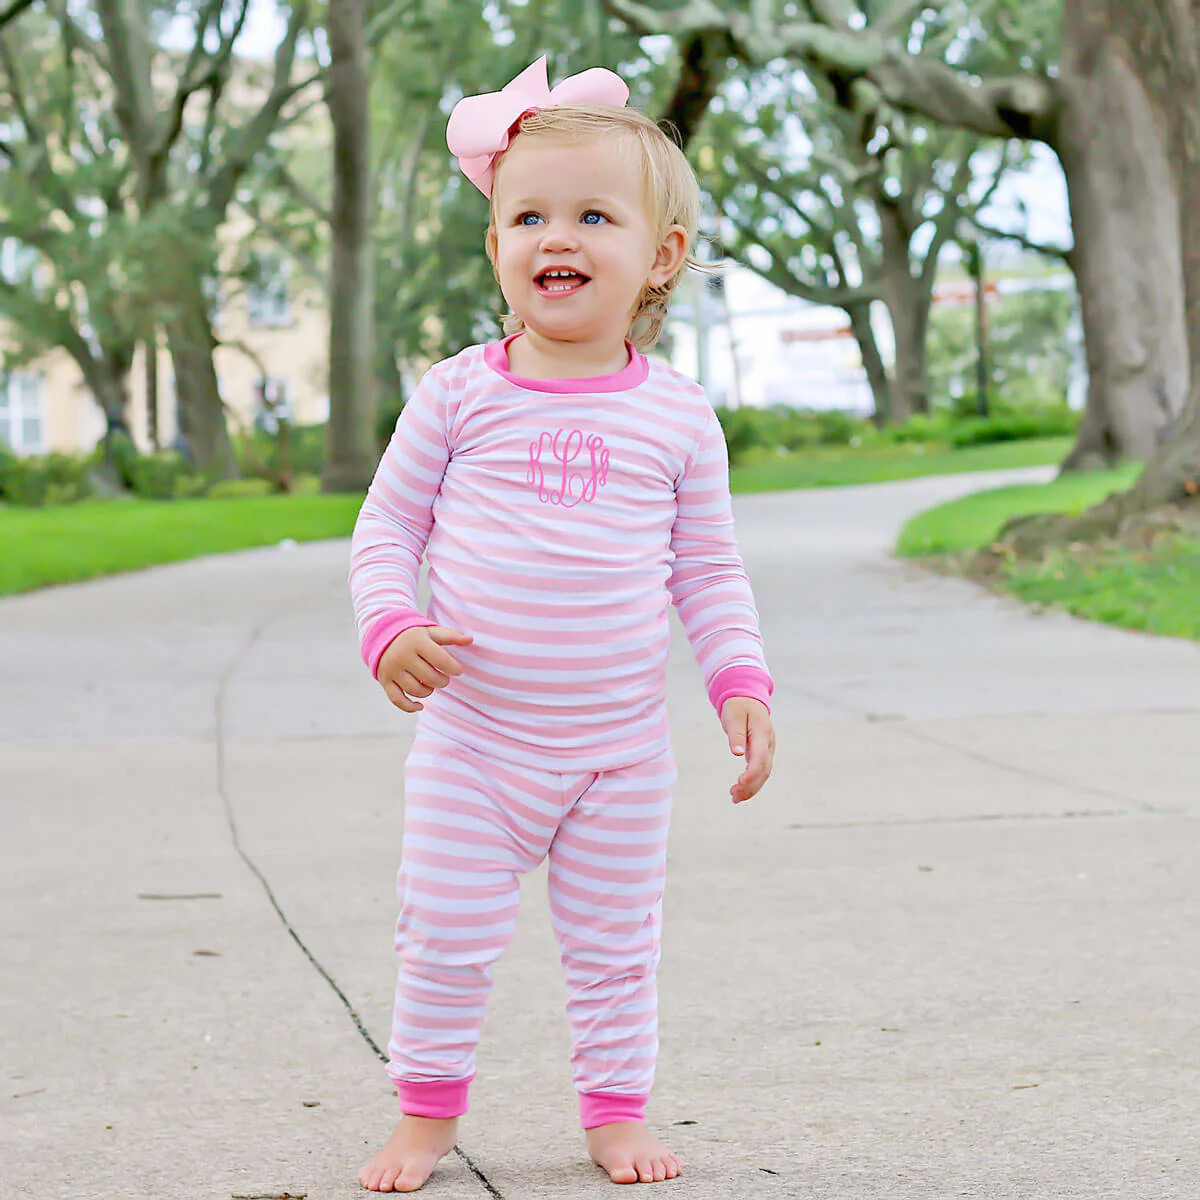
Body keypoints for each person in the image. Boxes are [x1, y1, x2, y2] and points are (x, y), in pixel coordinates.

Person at [349, 55, 776, 1193]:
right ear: (495, 245)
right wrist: (391, 626)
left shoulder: (680, 419)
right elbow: (385, 526)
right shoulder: (458, 395)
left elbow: (709, 567)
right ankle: (426, 1116)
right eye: (528, 214)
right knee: (441, 939)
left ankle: (614, 1113)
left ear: (660, 259)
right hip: (477, 744)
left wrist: (740, 682)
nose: (558, 237)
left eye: (595, 214)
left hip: (619, 754)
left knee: (615, 949)